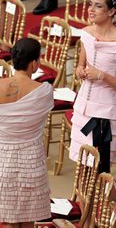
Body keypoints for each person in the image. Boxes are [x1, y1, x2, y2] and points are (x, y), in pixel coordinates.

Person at [69, 0, 116, 173]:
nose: (90, 9)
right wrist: (80, 71)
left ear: (111, 11)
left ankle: (106, 203)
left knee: (101, 171)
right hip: (83, 108)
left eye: (97, 6)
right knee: (82, 168)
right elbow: (80, 66)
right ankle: (84, 203)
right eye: (91, 4)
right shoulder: (87, 33)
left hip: (105, 114)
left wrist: (102, 76)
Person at [0, 38, 53, 228]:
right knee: (28, 221)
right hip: (31, 163)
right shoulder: (45, 91)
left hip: (2, 162)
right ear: (34, 63)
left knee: (6, 221)